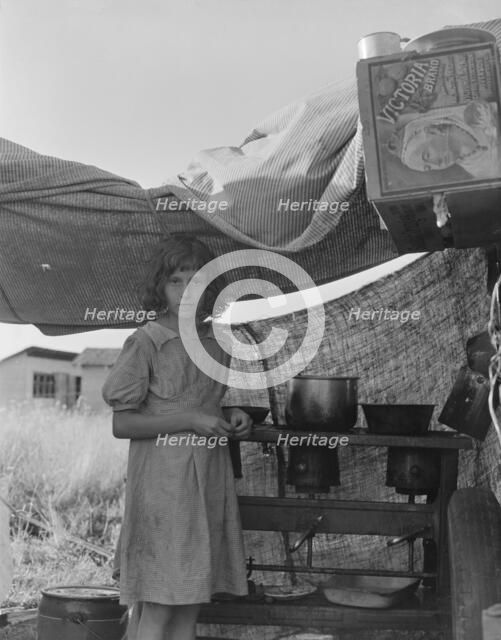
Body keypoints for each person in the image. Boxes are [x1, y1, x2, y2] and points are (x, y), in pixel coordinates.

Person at [102, 234, 251, 640]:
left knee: (188, 605)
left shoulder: (217, 345)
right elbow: (123, 424)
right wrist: (188, 420)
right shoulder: (146, 342)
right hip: (164, 489)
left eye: (196, 280)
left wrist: (230, 415)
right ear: (159, 287)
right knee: (159, 605)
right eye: (176, 281)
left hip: (207, 483)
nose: (187, 292)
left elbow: (205, 404)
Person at [386, 100, 499, 178]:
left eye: (427, 155)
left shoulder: (476, 112)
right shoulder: (480, 170)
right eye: (428, 167)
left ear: (433, 130)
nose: (437, 164)